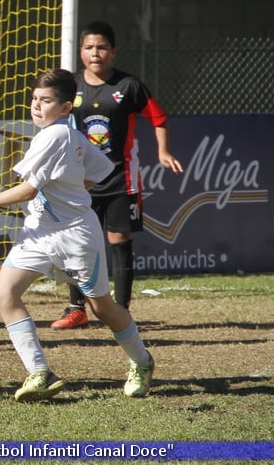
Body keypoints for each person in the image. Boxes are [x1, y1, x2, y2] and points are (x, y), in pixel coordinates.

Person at [0, 68, 155, 401]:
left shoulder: (57, 136)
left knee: (102, 308)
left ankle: (143, 362)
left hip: (75, 235)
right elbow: (98, 171)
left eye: (46, 101)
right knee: (4, 292)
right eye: (34, 98)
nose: (36, 106)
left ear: (65, 108)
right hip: (39, 231)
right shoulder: (71, 136)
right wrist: (69, 191)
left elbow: (29, 190)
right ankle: (40, 373)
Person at [52, 21, 184, 329]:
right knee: (78, 242)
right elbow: (53, 120)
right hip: (80, 179)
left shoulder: (129, 86)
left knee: (119, 239)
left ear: (113, 51)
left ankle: (121, 311)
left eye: (101, 47)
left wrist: (163, 151)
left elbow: (159, 118)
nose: (95, 54)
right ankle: (76, 308)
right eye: (88, 48)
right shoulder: (70, 86)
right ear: (80, 51)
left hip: (121, 178)